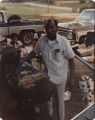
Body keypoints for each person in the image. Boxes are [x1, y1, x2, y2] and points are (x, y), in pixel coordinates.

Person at [26, 19, 75, 120]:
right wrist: (24, 59)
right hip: (47, 77)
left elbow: (71, 60)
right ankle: (50, 117)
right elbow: (34, 52)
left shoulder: (64, 42)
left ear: (56, 28)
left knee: (60, 103)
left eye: (52, 27)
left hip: (60, 78)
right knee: (47, 101)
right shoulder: (41, 40)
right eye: (47, 28)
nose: (49, 30)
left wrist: (72, 78)